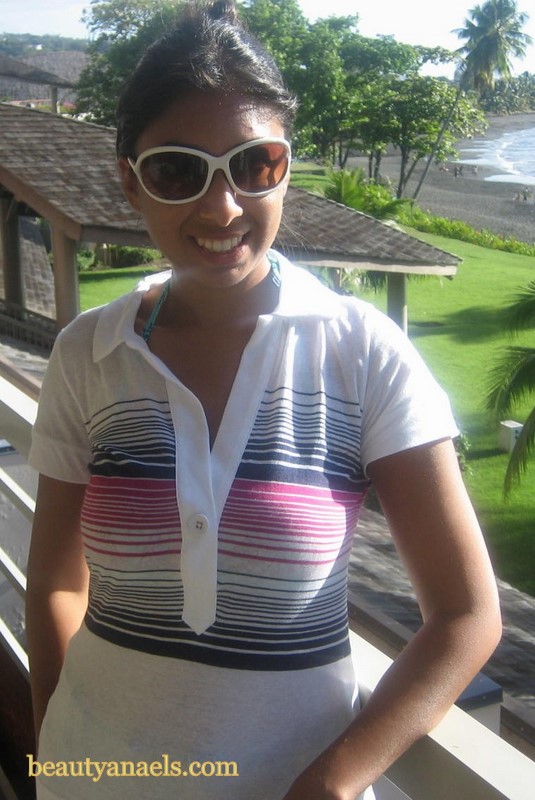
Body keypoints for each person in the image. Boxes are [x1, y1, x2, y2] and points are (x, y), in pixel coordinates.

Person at [25, 2, 502, 799]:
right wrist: (54, 754)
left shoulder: (360, 353)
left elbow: (465, 615)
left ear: (286, 167)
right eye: (178, 171)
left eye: (253, 164)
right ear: (130, 181)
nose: (221, 207)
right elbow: (55, 585)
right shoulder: (89, 354)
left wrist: (328, 786)